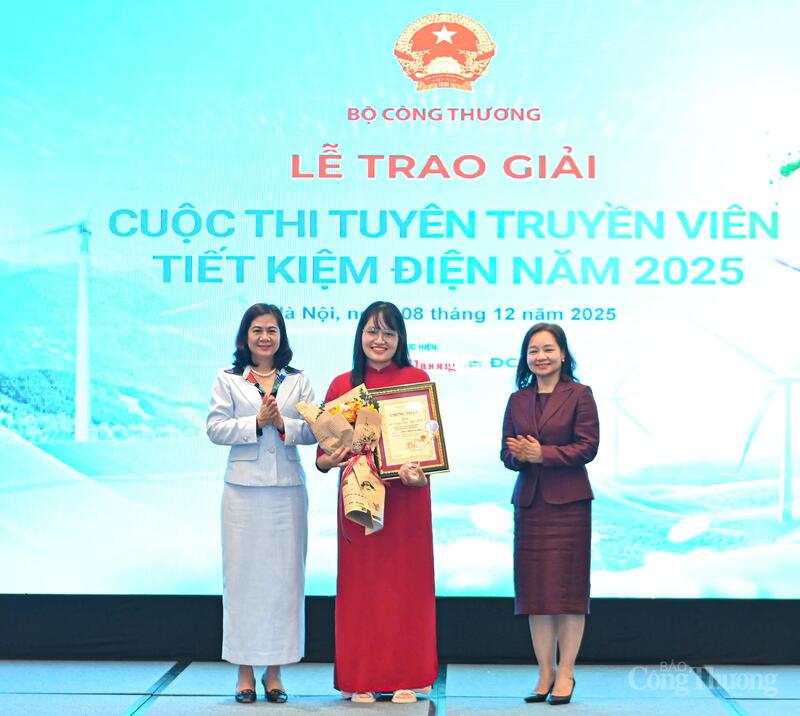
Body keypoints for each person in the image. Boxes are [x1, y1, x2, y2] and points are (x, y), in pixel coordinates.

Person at [317, 301, 438, 704]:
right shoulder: (342, 386)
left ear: (400, 338)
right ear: (360, 336)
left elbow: (428, 446)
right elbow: (322, 457)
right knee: (361, 589)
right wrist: (332, 458)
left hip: (407, 498)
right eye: (372, 331)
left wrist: (420, 471)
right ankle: (360, 677)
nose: (380, 340)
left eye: (389, 332)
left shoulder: (416, 380)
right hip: (361, 499)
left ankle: (409, 675)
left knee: (407, 586)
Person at [207, 303, 316, 704]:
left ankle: (275, 672)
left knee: (284, 582)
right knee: (243, 581)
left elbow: (316, 430)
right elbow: (215, 428)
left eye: (272, 330)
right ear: (245, 336)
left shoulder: (297, 380)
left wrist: (283, 423)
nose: (265, 337)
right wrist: (256, 422)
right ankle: (244, 671)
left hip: (287, 491)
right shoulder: (228, 378)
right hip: (243, 492)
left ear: (281, 336)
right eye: (257, 330)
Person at [500, 323, 599, 706]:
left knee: (568, 593)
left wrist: (543, 454)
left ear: (562, 354)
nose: (540, 357)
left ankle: (567, 672)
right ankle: (545, 672)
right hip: (530, 505)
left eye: (547, 349)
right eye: (533, 351)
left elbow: (587, 447)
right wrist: (519, 456)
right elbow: (506, 453)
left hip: (569, 505)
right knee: (536, 594)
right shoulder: (517, 399)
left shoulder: (580, 394)